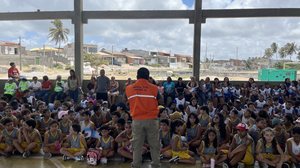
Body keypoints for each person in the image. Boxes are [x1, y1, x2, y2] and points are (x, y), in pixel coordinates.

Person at [125, 67, 162, 168]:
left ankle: (136, 165)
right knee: (154, 145)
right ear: (148, 77)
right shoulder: (154, 88)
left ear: (137, 76)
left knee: (137, 145)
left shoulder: (129, 88)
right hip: (152, 120)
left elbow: (127, 101)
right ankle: (155, 165)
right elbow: (161, 101)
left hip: (137, 121)